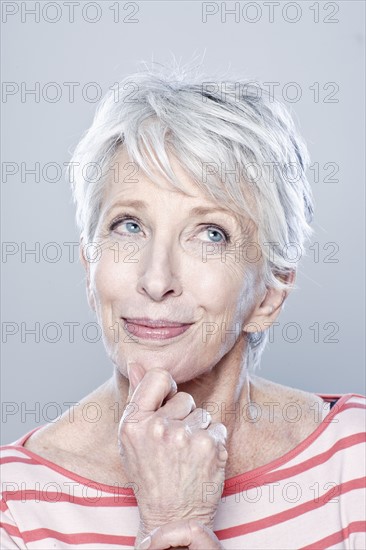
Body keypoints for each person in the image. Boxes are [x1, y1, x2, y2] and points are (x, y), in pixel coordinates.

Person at [1, 63, 365, 550]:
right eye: (129, 225)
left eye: (211, 234)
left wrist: (176, 520)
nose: (156, 280)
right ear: (90, 266)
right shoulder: (16, 505)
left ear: (270, 294)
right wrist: (167, 521)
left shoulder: (354, 459)